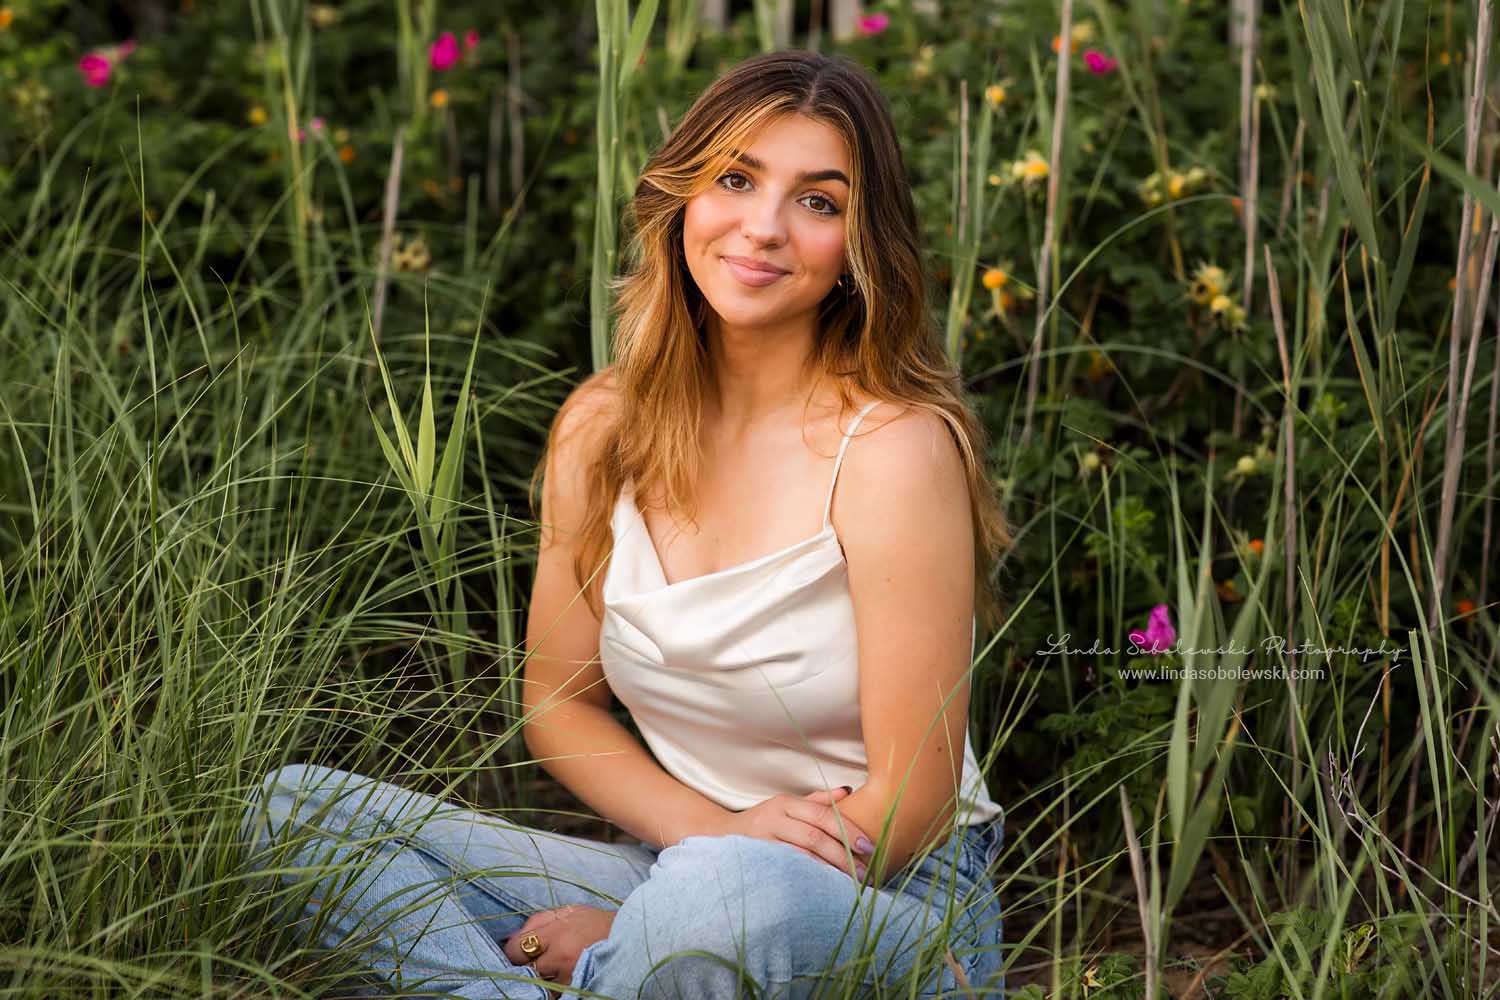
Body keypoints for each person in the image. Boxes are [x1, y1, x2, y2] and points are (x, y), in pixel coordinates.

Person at [240, 49, 1011, 999]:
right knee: (295, 813)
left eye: (819, 201)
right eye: (735, 178)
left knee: (721, 900)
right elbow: (557, 705)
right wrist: (698, 854)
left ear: (859, 244)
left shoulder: (893, 447)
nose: (763, 228)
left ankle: (610, 964)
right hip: (682, 856)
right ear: (682, 197)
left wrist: (672, 902)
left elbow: (918, 798)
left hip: (882, 900)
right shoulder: (601, 428)